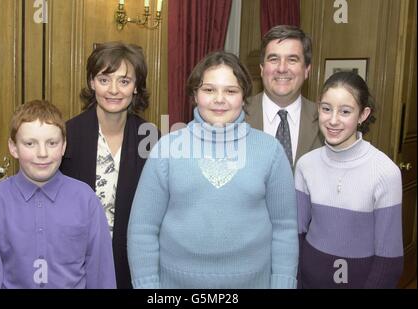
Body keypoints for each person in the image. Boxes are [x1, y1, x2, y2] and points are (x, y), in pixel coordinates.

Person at [127, 51, 298, 289]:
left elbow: (285, 228)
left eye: (231, 91)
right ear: (195, 95)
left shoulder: (270, 151)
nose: (220, 99)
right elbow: (142, 229)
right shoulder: (166, 149)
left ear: (244, 96)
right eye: (209, 90)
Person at [0, 100, 116, 288]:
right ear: (14, 148)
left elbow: (101, 275)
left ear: (63, 146)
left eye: (52, 143)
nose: (42, 153)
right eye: (30, 143)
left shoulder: (86, 200)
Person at [59, 41, 157, 289]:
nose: (113, 90)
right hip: (75, 263)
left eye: (124, 81)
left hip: (132, 264)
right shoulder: (66, 135)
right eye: (104, 80)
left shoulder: (152, 138)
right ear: (92, 83)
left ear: (136, 87)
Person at [295, 71, 403, 288]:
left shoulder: (386, 172)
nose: (333, 120)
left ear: (363, 115)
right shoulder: (305, 165)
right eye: (326, 109)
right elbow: (296, 235)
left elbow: (389, 259)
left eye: (345, 111)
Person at [246, 25, 323, 168]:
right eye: (274, 59)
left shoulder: (325, 119)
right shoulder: (237, 115)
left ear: (307, 70)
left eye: (292, 60)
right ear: (262, 69)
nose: (282, 68)